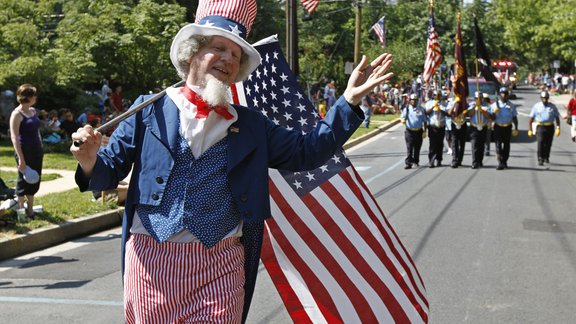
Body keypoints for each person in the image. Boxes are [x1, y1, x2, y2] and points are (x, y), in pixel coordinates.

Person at [69, 1, 394, 322]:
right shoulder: (148, 110)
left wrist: (348, 102)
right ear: (192, 53)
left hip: (220, 264)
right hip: (152, 262)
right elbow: (105, 173)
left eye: (236, 55)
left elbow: (307, 152)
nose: (228, 58)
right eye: (218, 48)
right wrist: (88, 160)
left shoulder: (252, 124)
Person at [9, 84, 43, 219]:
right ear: (28, 97)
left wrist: (40, 144)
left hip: (36, 150)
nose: (36, 97)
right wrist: (21, 158)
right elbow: (14, 137)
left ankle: (30, 209)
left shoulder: (33, 111)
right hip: (24, 150)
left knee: (35, 178)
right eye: (34, 95)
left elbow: (37, 131)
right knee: (23, 180)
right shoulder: (16, 114)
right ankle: (22, 211)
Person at [528, 91, 561, 165]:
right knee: (540, 142)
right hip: (540, 126)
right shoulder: (536, 106)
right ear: (541, 98)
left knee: (548, 143)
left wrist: (558, 127)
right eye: (543, 98)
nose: (545, 100)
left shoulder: (552, 106)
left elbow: (557, 117)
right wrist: (530, 129)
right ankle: (540, 158)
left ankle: (546, 157)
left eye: (546, 98)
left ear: (548, 98)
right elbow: (531, 118)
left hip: (550, 126)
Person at [489, 87, 518, 170]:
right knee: (498, 145)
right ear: (499, 95)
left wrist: (516, 128)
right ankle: (500, 162)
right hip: (498, 126)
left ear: (507, 95)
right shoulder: (494, 105)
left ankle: (505, 161)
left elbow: (514, 117)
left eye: (505, 94)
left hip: (508, 127)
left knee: (506, 145)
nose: (503, 95)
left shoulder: (511, 105)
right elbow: (491, 117)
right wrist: (494, 113)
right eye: (502, 93)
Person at [400, 93, 427, 169]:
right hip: (409, 131)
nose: (413, 102)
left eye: (415, 100)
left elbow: (425, 121)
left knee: (417, 147)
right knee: (409, 147)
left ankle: (416, 161)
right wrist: (402, 120)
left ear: (417, 101)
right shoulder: (407, 109)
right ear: (410, 101)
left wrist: (425, 131)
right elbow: (402, 117)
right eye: (412, 100)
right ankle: (408, 163)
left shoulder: (421, 109)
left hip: (419, 131)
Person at [467, 92, 492, 169]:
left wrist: (482, 110)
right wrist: (475, 107)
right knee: (474, 145)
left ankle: (480, 161)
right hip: (474, 127)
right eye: (477, 98)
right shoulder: (471, 105)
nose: (479, 99)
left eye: (481, 98)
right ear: (475, 98)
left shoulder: (487, 106)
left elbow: (489, 116)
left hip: (483, 127)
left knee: (481, 145)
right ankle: (474, 162)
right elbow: (469, 114)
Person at [424, 90, 448, 167]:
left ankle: (439, 160)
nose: (437, 97)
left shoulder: (444, 103)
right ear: (433, 96)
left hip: (441, 126)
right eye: (435, 95)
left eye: (439, 95)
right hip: (432, 126)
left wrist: (440, 109)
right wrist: (433, 107)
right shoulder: (429, 103)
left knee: (440, 144)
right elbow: (426, 113)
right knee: (432, 144)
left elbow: (447, 113)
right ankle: (432, 160)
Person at [447, 96, 468, 168]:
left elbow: (467, 112)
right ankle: (455, 160)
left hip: (462, 123)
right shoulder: (451, 101)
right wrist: (455, 103)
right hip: (454, 123)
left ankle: (460, 160)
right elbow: (449, 112)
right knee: (454, 142)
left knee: (462, 143)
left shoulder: (464, 102)